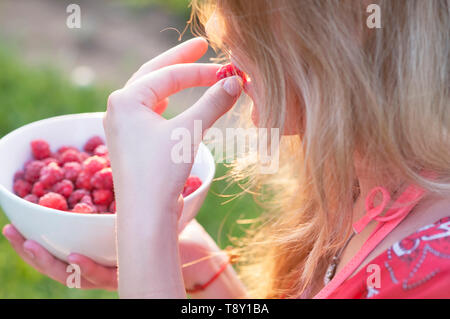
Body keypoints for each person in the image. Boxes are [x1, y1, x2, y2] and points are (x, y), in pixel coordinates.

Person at [3, 0, 450, 298]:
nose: (221, 31)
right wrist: (194, 264)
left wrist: (146, 222)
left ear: (350, 25)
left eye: (247, 12)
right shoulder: (365, 177)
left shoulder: (429, 279)